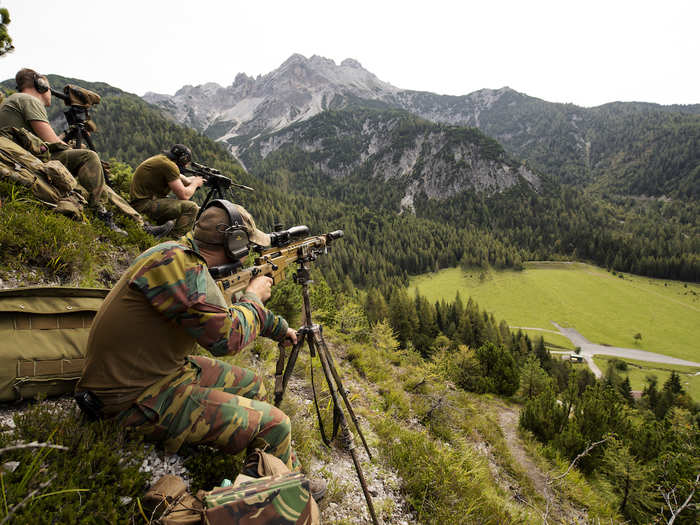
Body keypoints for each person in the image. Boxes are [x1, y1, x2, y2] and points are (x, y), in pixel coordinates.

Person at [75, 199, 326, 499]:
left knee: (254, 386)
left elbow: (220, 308)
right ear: (232, 244)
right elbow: (226, 338)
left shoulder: (179, 255)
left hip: (157, 373)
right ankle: (284, 496)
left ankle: (273, 469)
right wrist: (255, 298)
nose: (246, 256)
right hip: (132, 399)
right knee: (277, 424)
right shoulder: (180, 268)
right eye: (244, 247)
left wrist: (277, 327)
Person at [0, 68, 173, 237]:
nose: (51, 93)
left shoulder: (15, 100)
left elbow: (42, 142)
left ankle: (139, 224)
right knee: (88, 156)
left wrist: (68, 137)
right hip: (27, 160)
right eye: (50, 89)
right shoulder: (29, 100)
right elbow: (52, 142)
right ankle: (102, 212)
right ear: (41, 85)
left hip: (22, 156)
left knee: (94, 177)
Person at [130, 144, 206, 237]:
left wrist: (197, 179)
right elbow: (184, 195)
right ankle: (174, 240)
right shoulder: (169, 166)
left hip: (142, 202)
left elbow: (183, 180)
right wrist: (196, 183)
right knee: (191, 208)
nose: (186, 165)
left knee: (196, 210)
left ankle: (166, 233)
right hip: (144, 205)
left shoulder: (163, 160)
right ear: (183, 159)